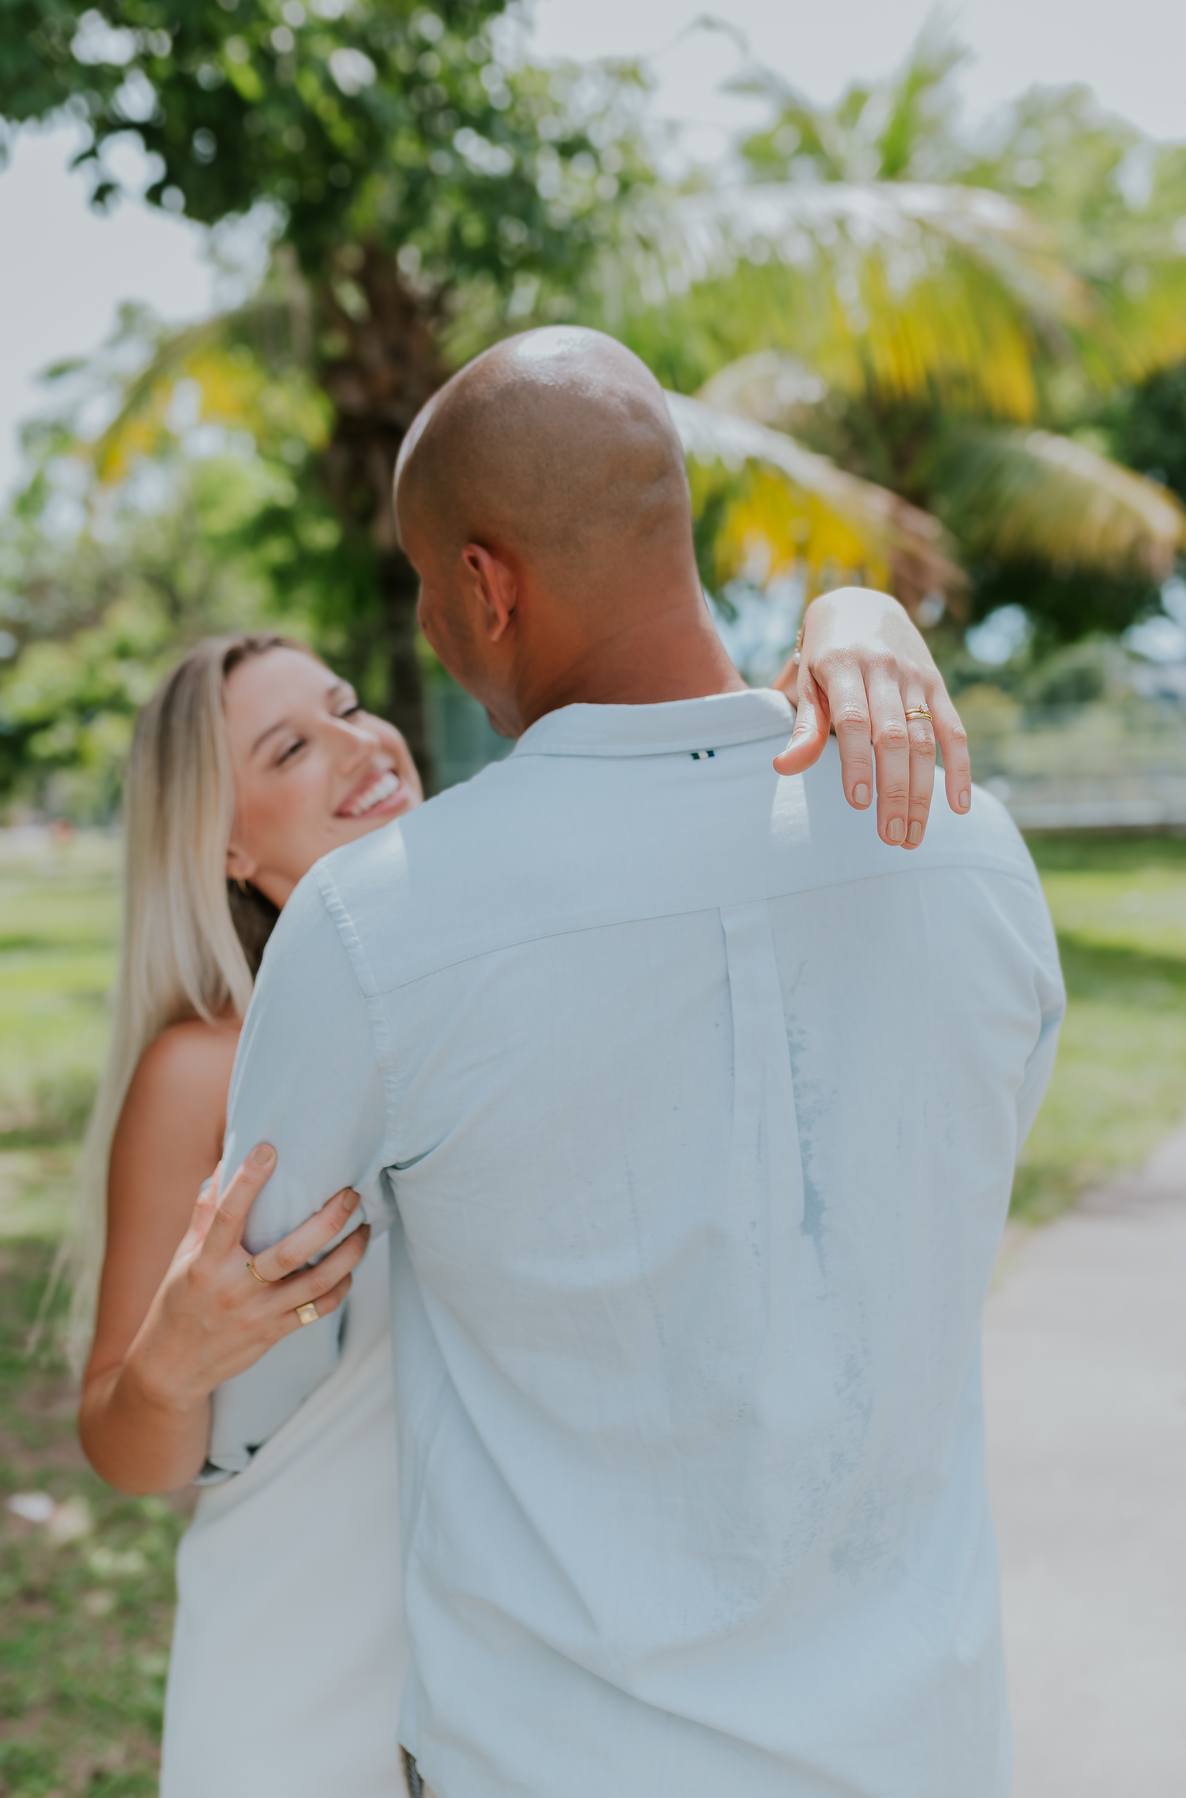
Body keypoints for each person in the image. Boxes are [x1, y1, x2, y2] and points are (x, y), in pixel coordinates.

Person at [206, 326, 1064, 1798]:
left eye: (424, 588)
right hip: (932, 1746)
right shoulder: (971, 851)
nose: (423, 634)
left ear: (485, 583)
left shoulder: (378, 925)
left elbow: (263, 1383)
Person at [72, 582, 963, 1794]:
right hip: (303, 1652)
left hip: (538, 1665)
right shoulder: (202, 1067)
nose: (358, 742)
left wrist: (856, 618)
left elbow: (690, 734)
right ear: (225, 843)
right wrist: (172, 1360)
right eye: (291, 746)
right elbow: (124, 1445)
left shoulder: (504, 960)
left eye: (344, 705)